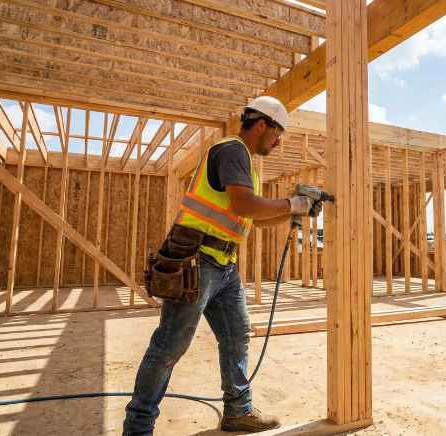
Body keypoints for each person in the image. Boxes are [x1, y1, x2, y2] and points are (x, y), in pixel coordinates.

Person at [124, 96, 316, 435]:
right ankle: (138, 427)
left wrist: (294, 210)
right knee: (170, 345)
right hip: (197, 261)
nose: (279, 141)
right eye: (278, 132)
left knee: (236, 335)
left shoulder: (245, 165)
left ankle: (238, 412)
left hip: (223, 265)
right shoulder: (232, 150)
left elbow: (252, 215)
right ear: (261, 125)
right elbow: (244, 204)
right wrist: (293, 202)